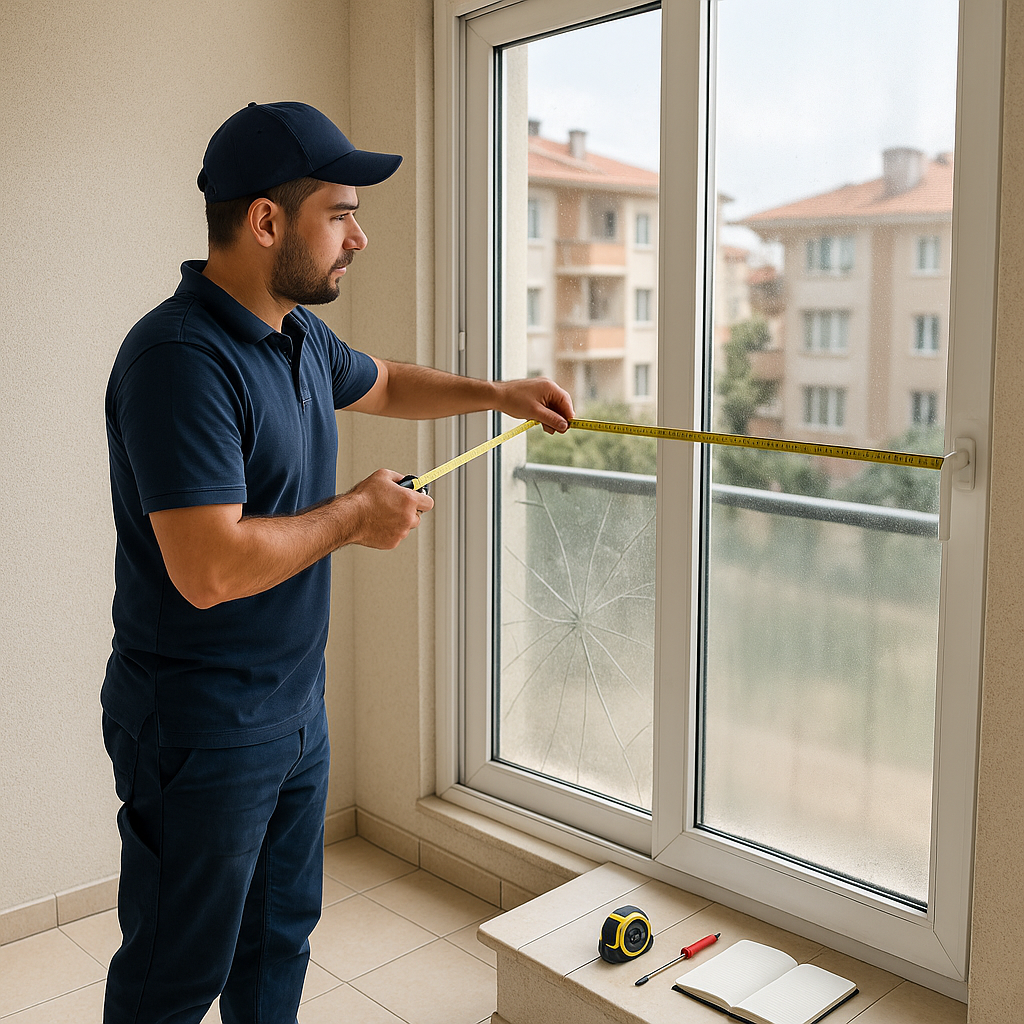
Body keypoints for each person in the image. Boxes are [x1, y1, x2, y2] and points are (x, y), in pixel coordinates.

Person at [102, 100, 574, 1024]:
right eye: (340, 212)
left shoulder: (296, 334)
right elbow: (208, 568)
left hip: (291, 711)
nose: (359, 238)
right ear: (266, 220)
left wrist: (499, 393)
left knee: (277, 944)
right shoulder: (179, 358)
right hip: (200, 727)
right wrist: (354, 515)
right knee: (175, 970)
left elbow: (387, 382)